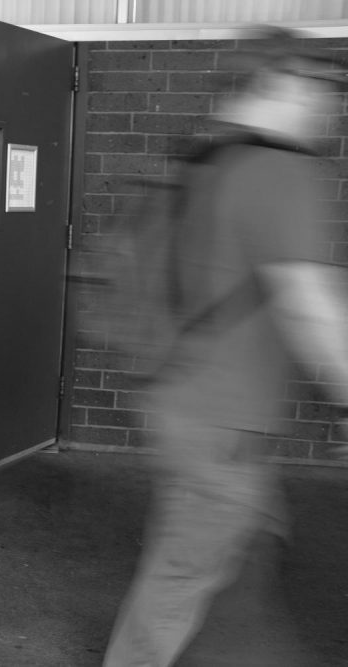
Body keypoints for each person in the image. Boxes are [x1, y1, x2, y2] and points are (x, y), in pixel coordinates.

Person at [103, 28, 348, 666]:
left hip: (176, 396)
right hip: (224, 420)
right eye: (319, 87)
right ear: (273, 83)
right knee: (185, 573)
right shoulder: (281, 171)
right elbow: (311, 307)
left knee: (226, 548)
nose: (330, 103)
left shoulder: (199, 162)